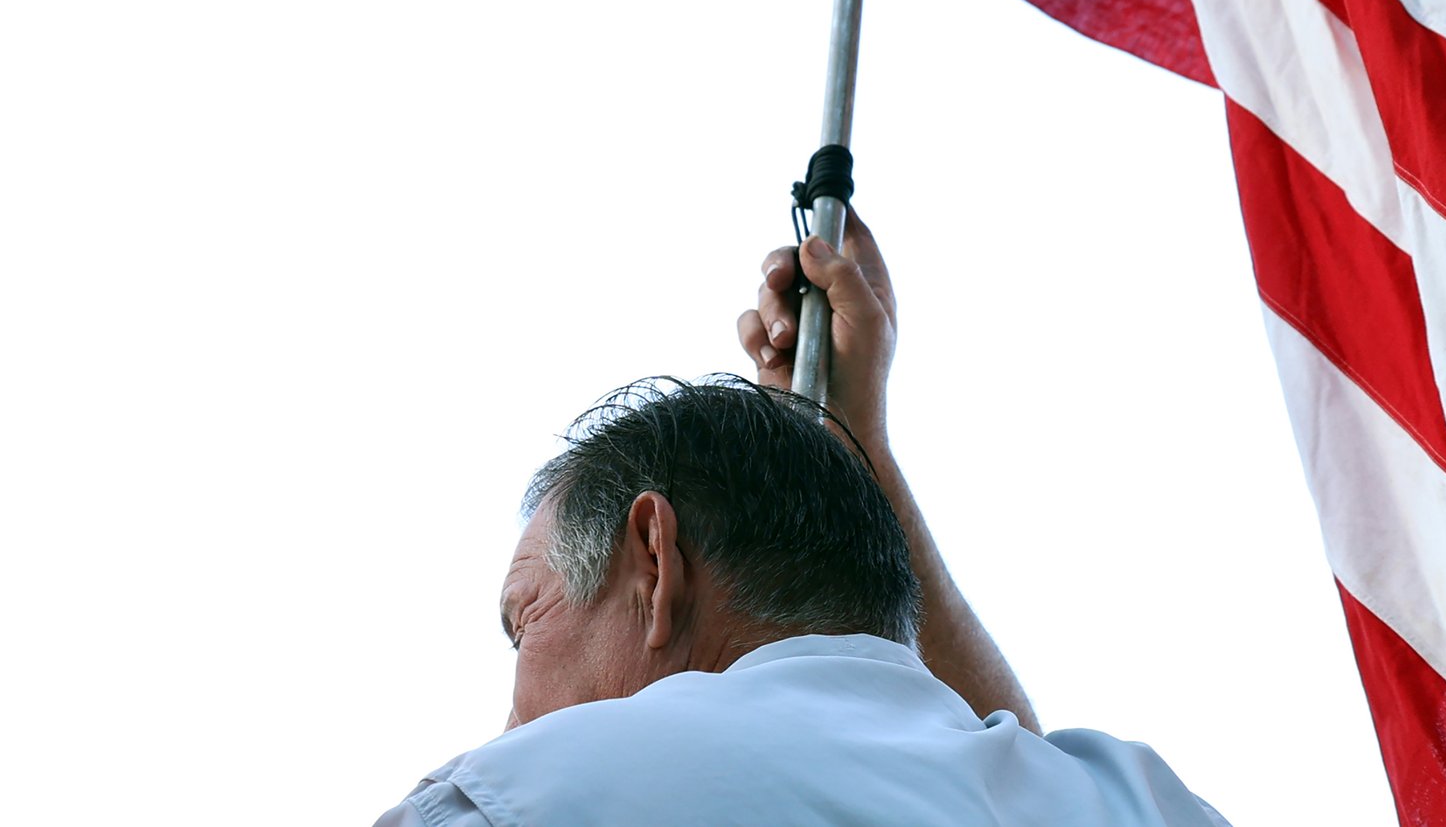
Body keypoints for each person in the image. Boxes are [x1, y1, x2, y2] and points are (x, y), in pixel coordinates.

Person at [376, 213, 1230, 826]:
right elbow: (985, 764)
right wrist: (860, 453)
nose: (511, 716)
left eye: (526, 620)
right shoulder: (1141, 800)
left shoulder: (516, 798)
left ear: (654, 557)